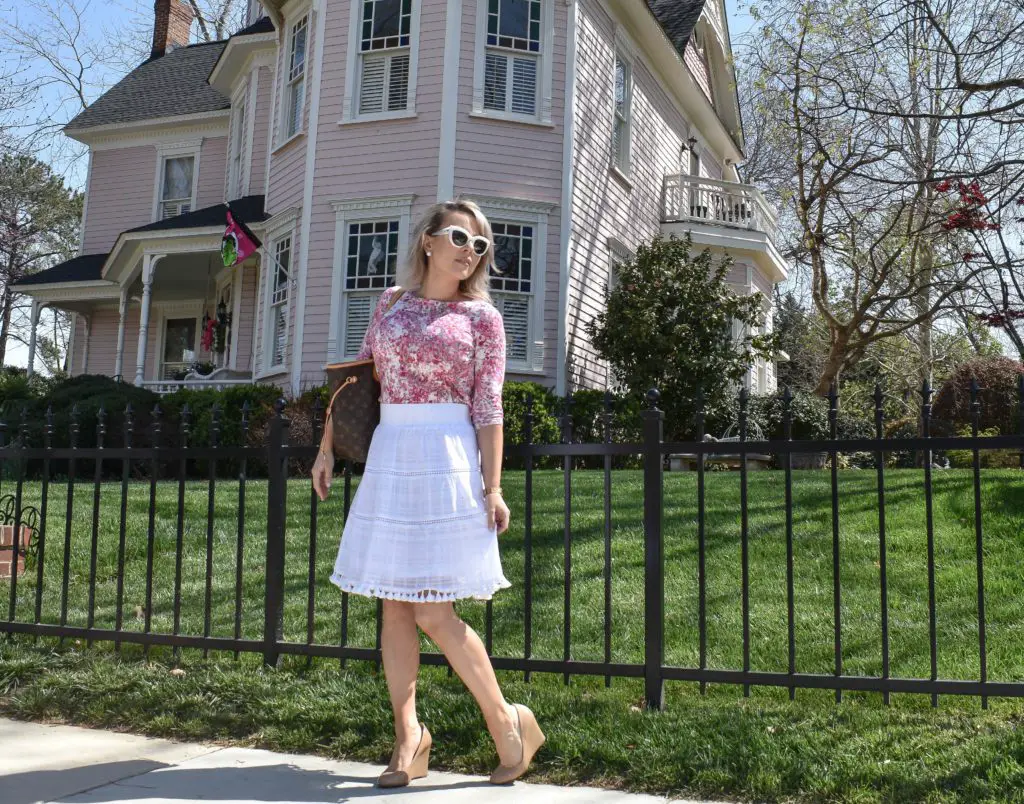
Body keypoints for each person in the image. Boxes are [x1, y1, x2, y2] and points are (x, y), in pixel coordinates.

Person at [311, 199, 545, 788]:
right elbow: (360, 382)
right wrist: (325, 447)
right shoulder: (389, 304)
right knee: (393, 605)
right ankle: (408, 736)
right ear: (429, 241)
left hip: (447, 458)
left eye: (482, 245)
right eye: (461, 237)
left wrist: (494, 487)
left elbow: (489, 408)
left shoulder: (483, 320)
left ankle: (508, 722)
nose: (471, 251)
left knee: (434, 610)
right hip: (392, 452)